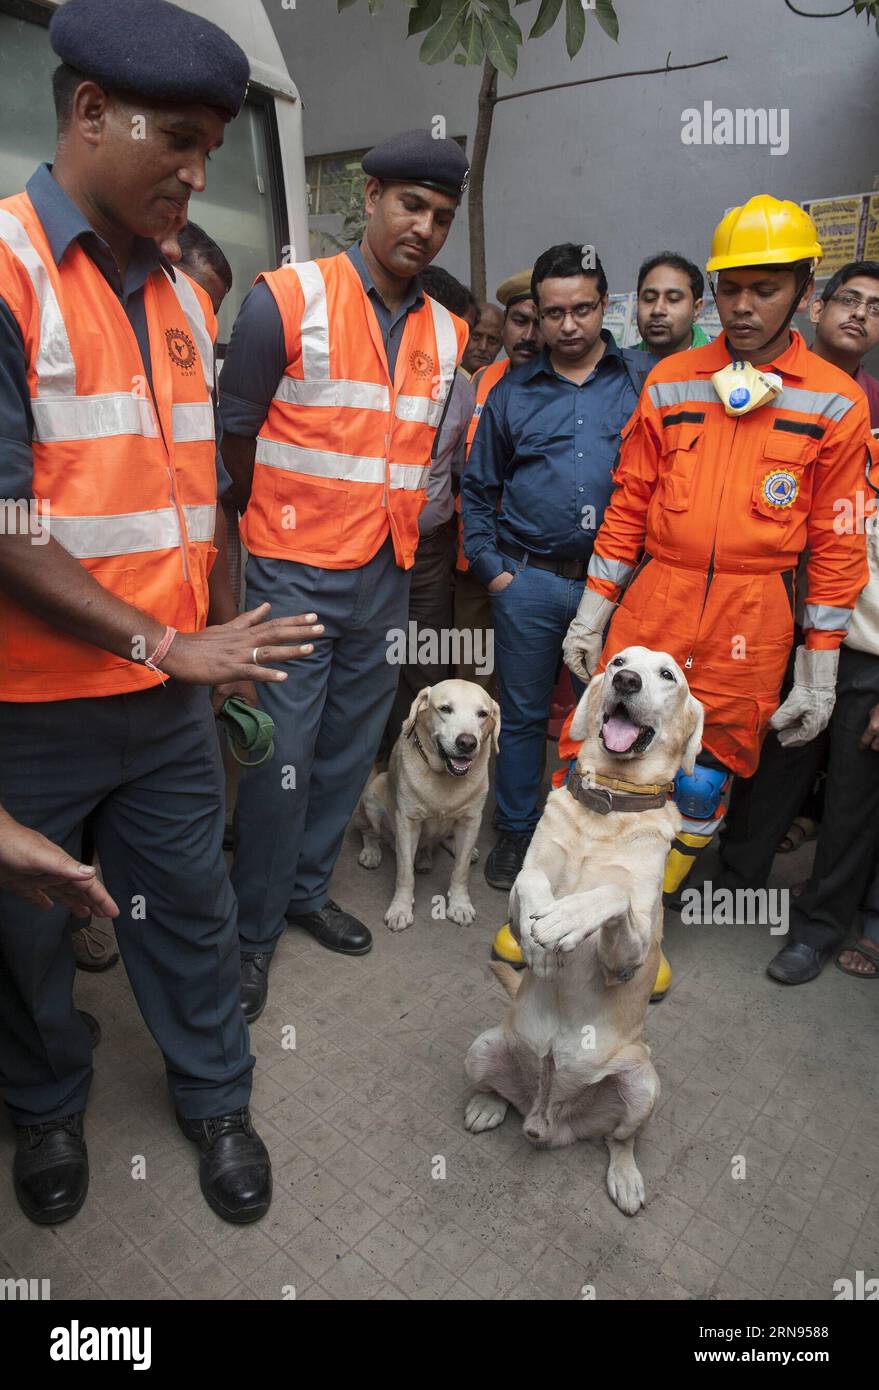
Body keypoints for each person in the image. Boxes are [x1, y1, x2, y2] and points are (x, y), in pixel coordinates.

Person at [0, 0, 320, 1228]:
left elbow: (202, 496)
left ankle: (216, 1097)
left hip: (170, 707)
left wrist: (219, 644)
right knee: (29, 936)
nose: (198, 173)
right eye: (178, 141)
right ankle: (43, 1104)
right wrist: (166, 640)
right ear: (90, 110)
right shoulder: (10, 273)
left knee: (189, 906)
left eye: (210, 148)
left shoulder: (182, 298)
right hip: (30, 712)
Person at [560, 196, 874, 999]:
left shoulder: (835, 399)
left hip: (754, 608)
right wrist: (594, 608)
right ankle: (570, 902)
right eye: (730, 286)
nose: (741, 305)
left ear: (803, 291)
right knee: (604, 747)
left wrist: (819, 670)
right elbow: (628, 502)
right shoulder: (670, 380)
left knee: (708, 771)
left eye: (763, 288)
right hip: (655, 595)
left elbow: (837, 544)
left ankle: (645, 918)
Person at [220, 129, 470, 1022]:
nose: (425, 228)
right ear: (367, 199)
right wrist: (258, 550)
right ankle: (251, 933)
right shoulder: (286, 300)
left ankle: (302, 895)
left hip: (385, 573)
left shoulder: (450, 331)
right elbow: (233, 440)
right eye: (410, 205)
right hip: (290, 572)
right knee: (280, 756)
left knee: (344, 753)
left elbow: (425, 456)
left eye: (442, 216)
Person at [462, 243, 656, 899]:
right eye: (552, 313)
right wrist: (493, 572)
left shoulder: (643, 382)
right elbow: (477, 489)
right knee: (518, 716)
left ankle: (593, 833)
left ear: (605, 306)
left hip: (616, 584)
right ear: (535, 317)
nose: (568, 325)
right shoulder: (510, 393)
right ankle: (517, 829)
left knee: (610, 717)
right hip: (529, 581)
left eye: (581, 310)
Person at [714, 261, 879, 984]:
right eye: (849, 298)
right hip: (791, 619)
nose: (860, 314)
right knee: (771, 759)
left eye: (876, 307)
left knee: (851, 792)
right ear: (814, 307)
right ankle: (735, 884)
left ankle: (816, 926)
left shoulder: (863, 408)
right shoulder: (765, 392)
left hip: (867, 642)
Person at [382, 265, 477, 749]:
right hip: (371, 544)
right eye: (450, 329)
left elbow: (459, 467)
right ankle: (368, 760)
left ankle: (416, 754)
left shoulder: (463, 388)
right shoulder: (378, 374)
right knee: (372, 654)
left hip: (430, 549)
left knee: (424, 653)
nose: (456, 343)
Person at [453, 268, 542, 688]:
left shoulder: (565, 388)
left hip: (535, 566)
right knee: (471, 677)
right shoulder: (479, 381)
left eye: (539, 322)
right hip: (474, 561)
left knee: (522, 684)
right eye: (519, 320)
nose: (528, 334)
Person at [633, 252, 709, 357]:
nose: (657, 310)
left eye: (673, 299)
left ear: (696, 309)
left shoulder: (724, 369)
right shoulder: (619, 368)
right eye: (649, 298)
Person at [462, 299, 503, 376]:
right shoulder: (442, 379)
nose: (483, 347)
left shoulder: (505, 385)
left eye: (492, 340)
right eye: (476, 336)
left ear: (501, 345)